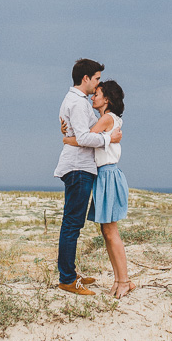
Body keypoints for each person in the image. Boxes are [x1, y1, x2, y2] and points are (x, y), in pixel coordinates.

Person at [53, 59, 122, 296]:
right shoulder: (78, 103)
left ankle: (69, 273)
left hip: (80, 167)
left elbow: (80, 131)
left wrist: (68, 135)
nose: (97, 84)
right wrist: (108, 140)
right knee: (72, 224)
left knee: (72, 223)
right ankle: (67, 279)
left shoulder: (77, 102)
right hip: (78, 168)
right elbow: (84, 137)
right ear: (86, 79)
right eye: (96, 79)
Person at [62, 79, 134, 298]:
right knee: (107, 231)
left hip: (108, 175)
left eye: (98, 94)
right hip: (105, 176)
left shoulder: (106, 119)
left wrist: (66, 139)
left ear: (107, 99)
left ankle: (124, 281)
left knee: (111, 232)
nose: (94, 96)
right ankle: (120, 279)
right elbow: (89, 136)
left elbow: (84, 139)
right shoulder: (106, 119)